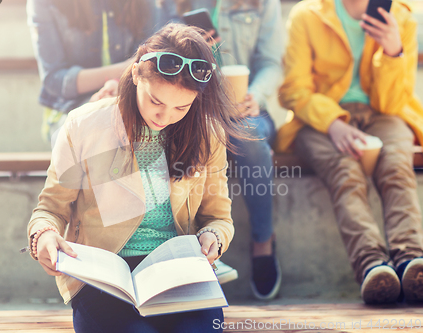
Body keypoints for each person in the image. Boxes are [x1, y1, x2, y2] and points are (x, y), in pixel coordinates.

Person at [27, 23, 246, 332]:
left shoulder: (207, 135)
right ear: (135, 75)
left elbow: (219, 218)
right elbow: (50, 209)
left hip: (177, 275)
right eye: (155, 101)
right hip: (103, 278)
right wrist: (43, 237)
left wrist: (214, 238)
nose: (165, 115)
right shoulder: (84, 125)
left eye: (181, 107)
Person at [277, 0, 423, 304]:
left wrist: (393, 51)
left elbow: (393, 104)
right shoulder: (307, 14)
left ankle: (412, 262)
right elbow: (294, 89)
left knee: (396, 165)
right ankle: (373, 265)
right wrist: (333, 123)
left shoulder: (402, 18)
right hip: (319, 120)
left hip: (383, 115)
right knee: (345, 170)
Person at [160, 0, 285, 298]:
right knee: (192, 133)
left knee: (248, 137)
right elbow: (159, 52)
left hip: (248, 108)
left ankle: (262, 243)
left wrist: (257, 94)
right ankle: (195, 245)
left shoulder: (264, 4)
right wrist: (192, 50)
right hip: (195, 105)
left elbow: (272, 63)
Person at [26, 0, 163, 143]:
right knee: (100, 129)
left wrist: (120, 88)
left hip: (130, 97)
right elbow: (54, 80)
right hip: (69, 108)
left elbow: (153, 64)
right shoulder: (44, 3)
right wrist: (124, 71)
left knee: (142, 131)